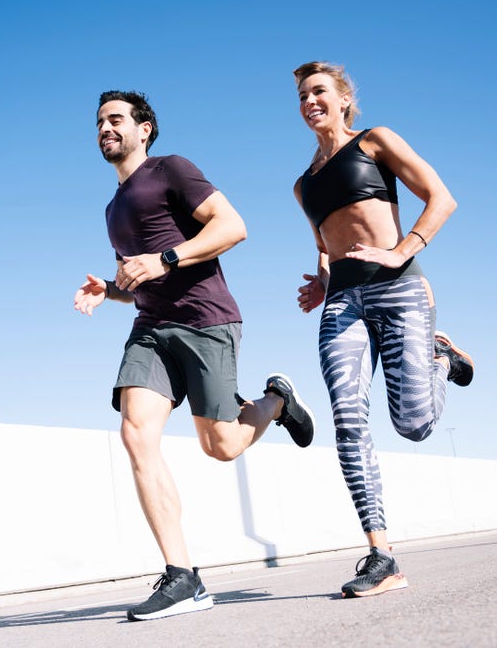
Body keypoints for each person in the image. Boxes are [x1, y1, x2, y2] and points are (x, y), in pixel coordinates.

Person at [74, 90, 316, 621]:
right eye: (98, 123)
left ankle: (276, 400)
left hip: (206, 320)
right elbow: (139, 277)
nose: (105, 129)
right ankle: (182, 576)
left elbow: (232, 227)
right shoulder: (112, 208)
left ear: (145, 128)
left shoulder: (172, 170)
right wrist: (110, 290)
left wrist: (164, 259)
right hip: (151, 327)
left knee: (222, 446)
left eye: (116, 119)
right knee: (136, 432)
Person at [291, 62, 475, 598]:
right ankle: (381, 555)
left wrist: (402, 250)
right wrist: (321, 282)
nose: (310, 102)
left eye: (319, 92)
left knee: (414, 425)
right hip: (343, 303)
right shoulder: (303, 185)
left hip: (398, 291)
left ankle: (440, 358)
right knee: (348, 418)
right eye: (302, 95)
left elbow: (441, 197)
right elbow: (326, 244)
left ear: (344, 99)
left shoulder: (374, 142)